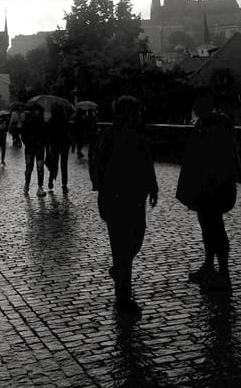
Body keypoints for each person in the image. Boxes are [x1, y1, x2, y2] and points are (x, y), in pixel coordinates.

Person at [90, 95, 159, 318]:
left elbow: (147, 161)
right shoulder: (110, 136)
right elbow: (98, 164)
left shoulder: (139, 134)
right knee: (120, 245)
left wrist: (153, 186)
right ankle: (123, 297)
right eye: (134, 111)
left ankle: (119, 271)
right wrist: (101, 188)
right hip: (116, 197)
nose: (138, 115)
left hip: (135, 195)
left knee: (136, 239)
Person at [176, 90, 241, 292]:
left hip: (213, 186)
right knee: (209, 227)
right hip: (207, 186)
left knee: (215, 228)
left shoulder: (215, 125)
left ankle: (221, 271)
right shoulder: (208, 124)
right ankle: (211, 267)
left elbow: (218, 159)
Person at [21, 105, 48, 196]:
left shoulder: (42, 122)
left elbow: (45, 135)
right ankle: (27, 184)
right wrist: (28, 142)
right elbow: (23, 134)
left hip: (38, 148)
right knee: (30, 168)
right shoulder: (28, 122)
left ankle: (39, 187)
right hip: (31, 148)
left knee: (39, 168)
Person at [46, 107, 71, 194]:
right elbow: (68, 133)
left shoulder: (51, 121)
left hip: (55, 145)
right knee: (64, 165)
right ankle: (64, 185)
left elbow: (48, 135)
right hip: (64, 145)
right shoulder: (65, 121)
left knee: (54, 164)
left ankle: (51, 179)